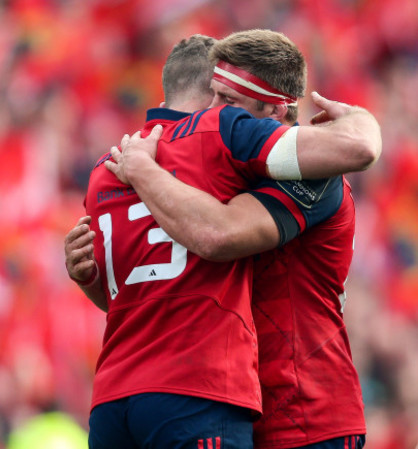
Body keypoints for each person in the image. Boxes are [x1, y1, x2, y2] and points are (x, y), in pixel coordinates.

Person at [67, 31, 381, 449]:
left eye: (227, 103)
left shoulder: (312, 175)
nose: (212, 114)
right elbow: (160, 285)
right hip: (235, 403)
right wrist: (90, 275)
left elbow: (218, 233)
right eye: (211, 96)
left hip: (306, 413)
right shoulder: (214, 168)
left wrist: (143, 171)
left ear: (272, 110)